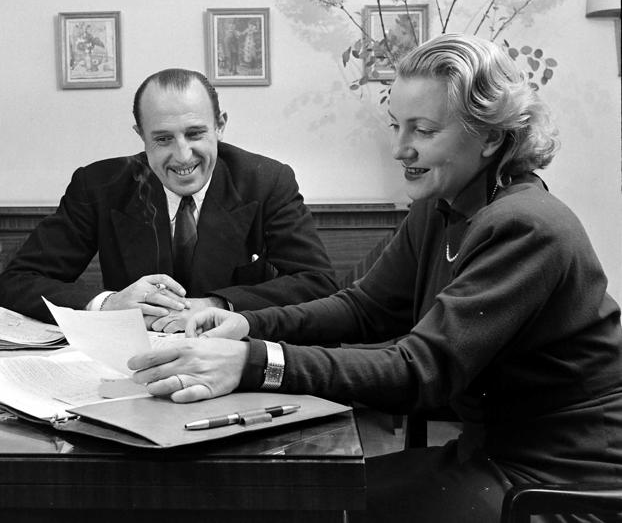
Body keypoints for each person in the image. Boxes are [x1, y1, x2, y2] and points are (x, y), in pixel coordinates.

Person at [128, 36, 622, 522]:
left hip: (559, 487)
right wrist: (246, 324)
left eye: (423, 131)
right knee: (297, 497)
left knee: (304, 506)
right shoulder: (441, 206)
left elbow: (418, 371)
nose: (400, 149)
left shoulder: (528, 225)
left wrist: (255, 361)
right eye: (396, 126)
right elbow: (362, 306)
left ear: (491, 137)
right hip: (489, 458)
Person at [0, 68, 338, 330]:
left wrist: (216, 305)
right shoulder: (99, 186)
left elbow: (317, 283)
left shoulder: (267, 181)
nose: (182, 155)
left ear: (219, 125)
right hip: (134, 363)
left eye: (195, 134)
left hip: (234, 358)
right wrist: (108, 305)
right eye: (162, 139)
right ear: (141, 136)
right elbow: (17, 283)